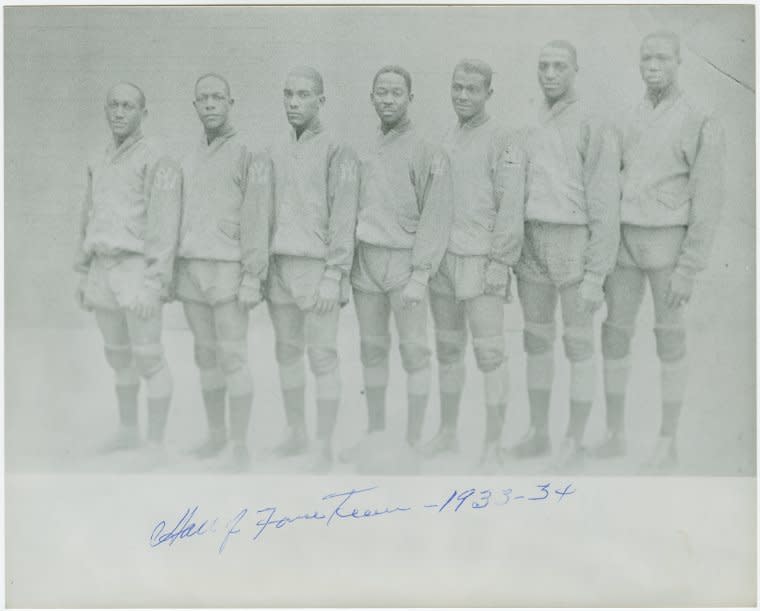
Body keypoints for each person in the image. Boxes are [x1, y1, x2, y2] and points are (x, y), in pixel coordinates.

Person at [593, 31, 725, 472]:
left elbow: (707, 198)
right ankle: (614, 434)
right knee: (614, 332)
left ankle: (668, 440)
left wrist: (690, 266)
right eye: (646, 57)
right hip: (625, 244)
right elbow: (610, 184)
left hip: (668, 244)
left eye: (662, 58)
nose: (653, 66)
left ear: (679, 62)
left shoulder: (699, 118)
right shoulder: (627, 117)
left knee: (669, 337)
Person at [510, 41, 620, 471]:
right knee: (535, 338)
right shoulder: (528, 122)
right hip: (532, 239)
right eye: (543, 66)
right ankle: (539, 433)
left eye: (559, 66)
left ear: (576, 69)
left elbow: (606, 201)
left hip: (574, 242)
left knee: (578, 343)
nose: (550, 73)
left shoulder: (593, 123)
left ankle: (574, 440)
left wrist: (597, 272)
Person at [339, 65, 454, 466]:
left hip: (405, 263)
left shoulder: (427, 149)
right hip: (366, 262)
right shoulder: (362, 147)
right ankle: (375, 435)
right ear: (371, 97)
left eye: (396, 93)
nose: (388, 100)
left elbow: (436, 215)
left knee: (414, 351)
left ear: (410, 98)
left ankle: (411, 443)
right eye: (381, 92)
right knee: (371, 350)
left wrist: (421, 274)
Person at [254, 66, 360, 473]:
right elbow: (262, 212)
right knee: (286, 352)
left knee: (322, 356)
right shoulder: (273, 150)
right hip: (280, 266)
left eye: (303, 95)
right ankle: (296, 431)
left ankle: (323, 445)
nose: (294, 103)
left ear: (321, 101)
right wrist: (261, 267)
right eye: (288, 95)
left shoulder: (338, 151)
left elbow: (344, 216)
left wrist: (335, 273)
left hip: (317, 269)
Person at [422, 59, 526, 470]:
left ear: (488, 94)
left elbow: (511, 205)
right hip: (444, 262)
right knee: (448, 350)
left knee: (490, 354)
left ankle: (493, 445)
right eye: (457, 87)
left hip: (482, 261)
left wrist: (501, 261)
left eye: (472, 89)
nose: (463, 96)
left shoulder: (504, 140)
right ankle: (448, 434)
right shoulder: (445, 138)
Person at [74, 82, 181, 466]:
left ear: (143, 113)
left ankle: (155, 446)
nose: (119, 112)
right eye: (113, 105)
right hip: (102, 267)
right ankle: (128, 431)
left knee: (149, 357)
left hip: (137, 269)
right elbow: (88, 213)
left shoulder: (157, 158)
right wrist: (83, 270)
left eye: (128, 106)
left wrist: (155, 282)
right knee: (118, 357)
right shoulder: (98, 157)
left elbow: (166, 225)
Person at [174, 73, 269, 470]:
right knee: (205, 356)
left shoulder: (250, 153)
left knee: (233, 357)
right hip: (193, 269)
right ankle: (215, 436)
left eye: (217, 97)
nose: (210, 104)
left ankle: (239, 445)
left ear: (232, 102)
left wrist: (253, 275)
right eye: (203, 99)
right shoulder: (189, 156)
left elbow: (258, 215)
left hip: (229, 271)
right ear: (195, 106)